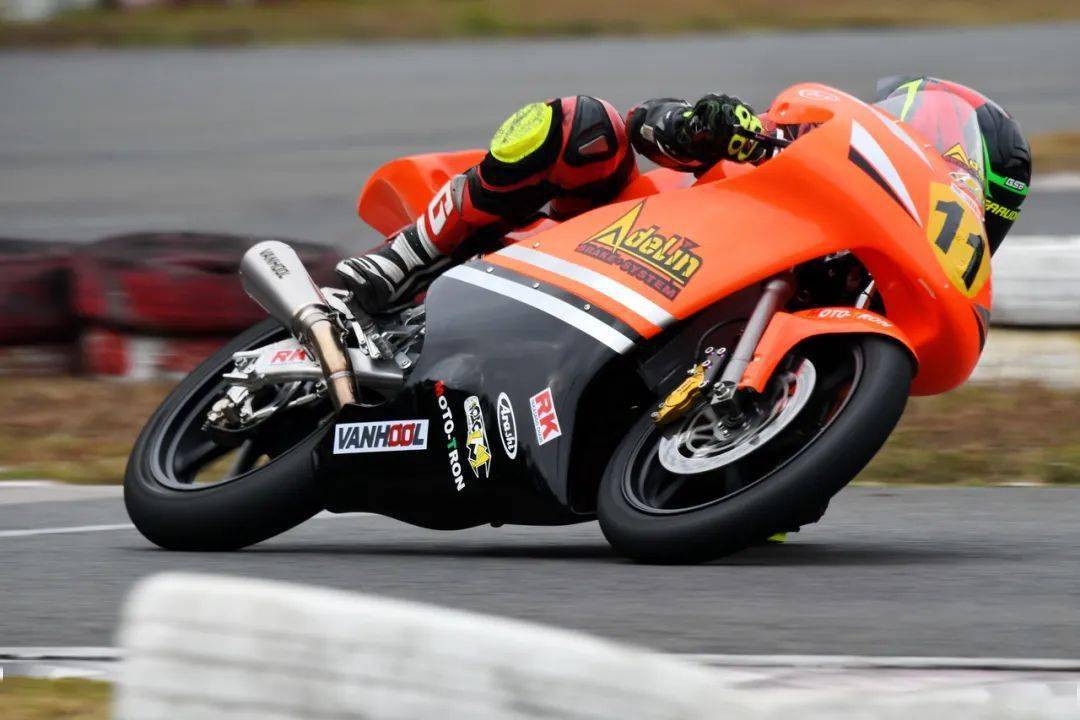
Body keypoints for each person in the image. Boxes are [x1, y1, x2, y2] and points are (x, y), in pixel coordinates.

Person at [337, 78, 1031, 313]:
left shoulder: (878, 306)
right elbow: (650, 124)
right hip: (616, 238)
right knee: (583, 125)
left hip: (656, 326)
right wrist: (702, 125)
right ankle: (407, 256)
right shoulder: (805, 144)